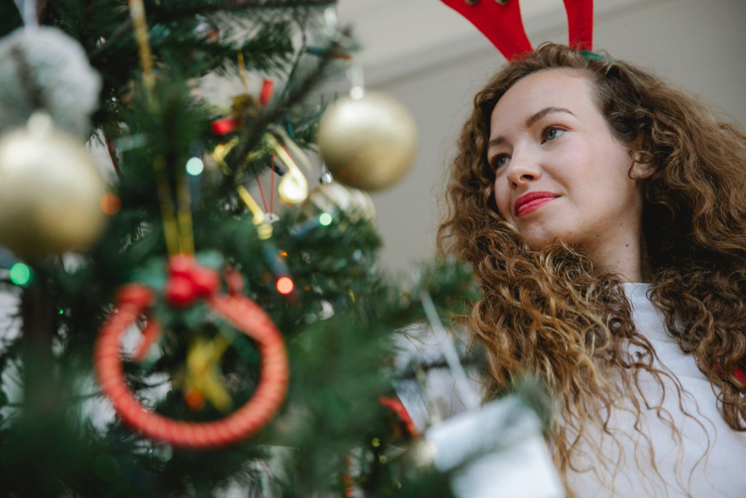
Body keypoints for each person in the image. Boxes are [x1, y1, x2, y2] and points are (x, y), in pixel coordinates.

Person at [437, 42, 746, 497]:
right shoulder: (468, 354)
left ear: (642, 152)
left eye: (551, 132)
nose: (515, 171)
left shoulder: (729, 332)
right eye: (499, 159)